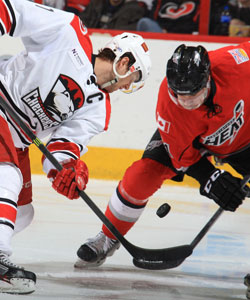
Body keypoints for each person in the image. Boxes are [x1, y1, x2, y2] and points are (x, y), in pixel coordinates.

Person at [0, 0, 151, 294]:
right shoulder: (68, 32)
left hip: (14, 136)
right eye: (131, 80)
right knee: (7, 175)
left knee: (23, 211)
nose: (125, 88)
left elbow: (62, 147)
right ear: (123, 63)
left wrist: (67, 170)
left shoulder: (98, 108)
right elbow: (10, 11)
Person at [75, 41, 250, 273]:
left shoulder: (238, 63)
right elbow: (182, 157)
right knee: (141, 175)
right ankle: (107, 237)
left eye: (193, 95)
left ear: (208, 78)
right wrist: (209, 178)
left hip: (244, 137)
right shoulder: (170, 104)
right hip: (191, 138)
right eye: (180, 95)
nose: (186, 103)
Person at [79, 0, 147, 30]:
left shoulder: (134, 8)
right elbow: (82, 21)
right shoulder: (95, 4)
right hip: (91, 39)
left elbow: (134, 28)